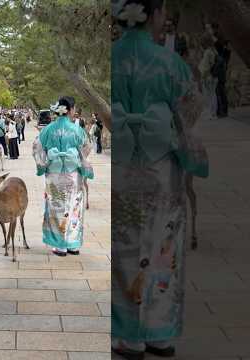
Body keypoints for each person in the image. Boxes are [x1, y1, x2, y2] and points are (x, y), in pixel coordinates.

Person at [112, 0, 208, 358]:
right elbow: (191, 108)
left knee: (124, 246)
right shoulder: (170, 62)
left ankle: (126, 335)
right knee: (162, 246)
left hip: (121, 168)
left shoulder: (111, 59)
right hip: (161, 169)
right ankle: (159, 332)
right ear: (152, 15)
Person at [32, 96, 93, 257]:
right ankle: (72, 244)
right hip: (73, 176)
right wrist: (80, 162)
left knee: (57, 207)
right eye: (74, 109)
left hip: (54, 175)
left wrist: (43, 163)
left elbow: (37, 148)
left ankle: (60, 246)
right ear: (70, 110)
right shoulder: (77, 130)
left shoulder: (48, 129)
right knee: (74, 207)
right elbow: (87, 147)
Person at [198, 34, 218, 120]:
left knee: (208, 95)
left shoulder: (207, 52)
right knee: (213, 94)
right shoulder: (214, 51)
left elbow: (206, 66)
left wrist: (202, 75)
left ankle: (210, 113)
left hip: (207, 76)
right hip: (212, 76)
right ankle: (213, 113)